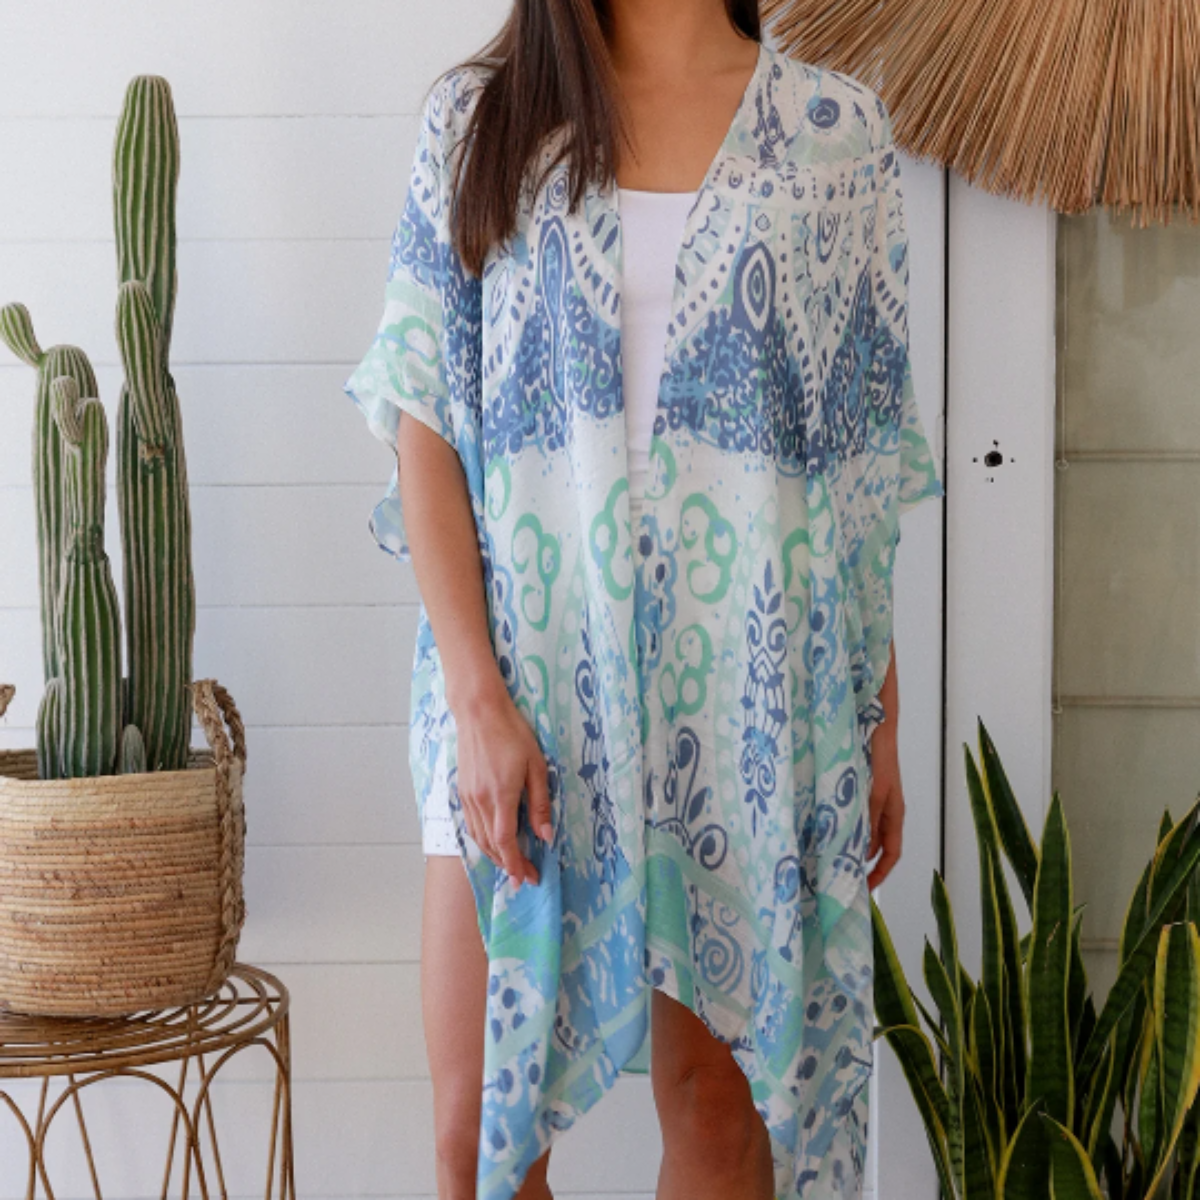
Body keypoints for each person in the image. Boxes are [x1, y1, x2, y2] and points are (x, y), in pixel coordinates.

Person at [343, 1, 945, 1197]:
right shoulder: (482, 120)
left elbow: (860, 465)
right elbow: (421, 425)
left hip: (750, 715)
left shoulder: (837, 137)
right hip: (520, 703)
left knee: (720, 1117)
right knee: (479, 1141)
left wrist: (875, 720)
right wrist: (477, 704)